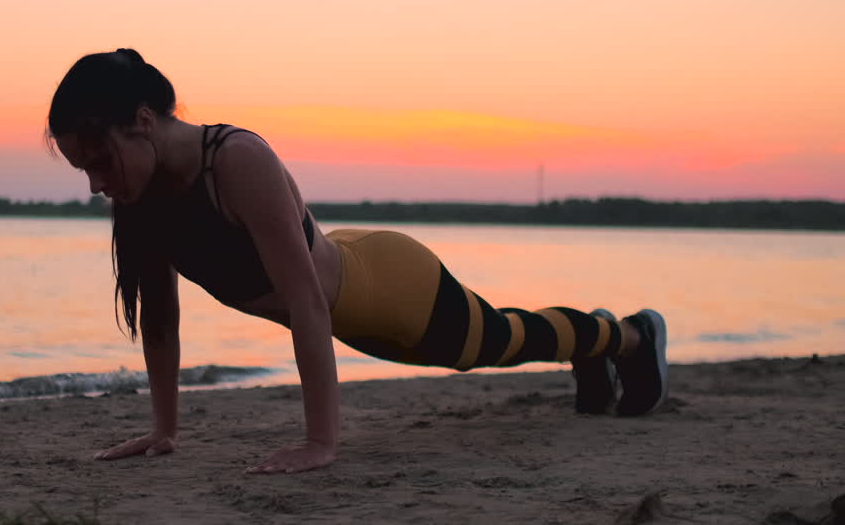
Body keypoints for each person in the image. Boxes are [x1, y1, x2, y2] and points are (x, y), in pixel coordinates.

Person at [46, 48, 669, 475]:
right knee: (500, 340)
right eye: (85, 170)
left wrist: (321, 442)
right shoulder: (143, 198)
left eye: (101, 161)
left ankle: (630, 336)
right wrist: (165, 431)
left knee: (499, 341)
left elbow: (307, 302)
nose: (97, 184)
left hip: (392, 287)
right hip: (352, 306)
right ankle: (598, 344)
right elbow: (159, 318)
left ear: (144, 122)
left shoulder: (235, 159)